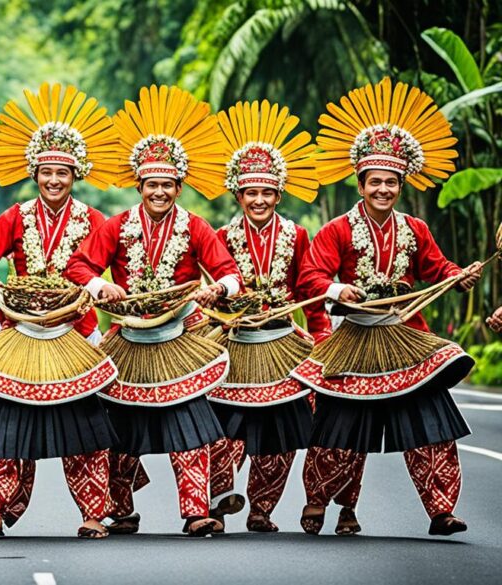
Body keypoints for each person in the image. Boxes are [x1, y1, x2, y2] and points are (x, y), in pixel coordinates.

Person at [293, 77, 483, 536]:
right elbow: (310, 278)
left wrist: (460, 277)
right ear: (361, 183)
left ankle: (441, 510)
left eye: (391, 182)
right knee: (340, 427)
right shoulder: (337, 229)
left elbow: (437, 269)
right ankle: (321, 502)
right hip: (355, 339)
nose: (383, 189)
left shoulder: (415, 227)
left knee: (432, 420)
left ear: (401, 184)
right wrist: (340, 292)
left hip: (406, 336)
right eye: (375, 181)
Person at [67, 84, 241, 537]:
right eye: (151, 185)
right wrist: (101, 285)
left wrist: (214, 290)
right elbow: (79, 264)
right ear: (139, 187)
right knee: (120, 432)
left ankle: (197, 511)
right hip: (128, 338)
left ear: (178, 187)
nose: (159, 191)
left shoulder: (196, 226)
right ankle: (120, 509)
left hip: (178, 339)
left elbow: (227, 271)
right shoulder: (118, 225)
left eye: (167, 185)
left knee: (189, 426)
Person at [0, 83, 124, 540]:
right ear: (34, 174)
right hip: (21, 337)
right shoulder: (14, 216)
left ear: (75, 176)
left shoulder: (95, 221)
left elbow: (110, 271)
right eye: (47, 172)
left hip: (75, 337)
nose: (54, 180)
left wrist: (104, 288)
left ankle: (93, 512)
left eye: (63, 173)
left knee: (86, 430)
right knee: (4, 426)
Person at [206, 100, 332, 532]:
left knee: (281, 429)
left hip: (283, 342)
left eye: (266, 193)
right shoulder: (221, 236)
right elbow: (214, 293)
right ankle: (220, 498)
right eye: (250, 193)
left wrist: (319, 331)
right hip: (235, 343)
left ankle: (262, 510)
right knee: (226, 426)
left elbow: (309, 287)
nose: (258, 200)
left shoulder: (297, 234)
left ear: (278, 195)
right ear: (238, 195)